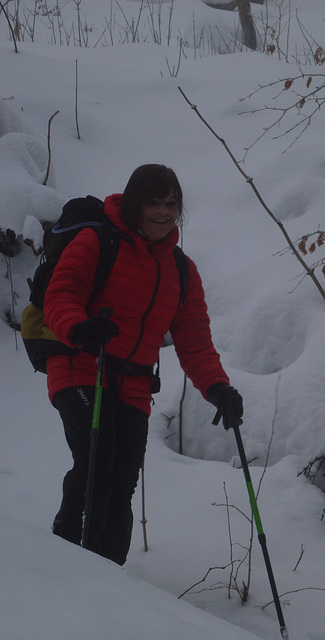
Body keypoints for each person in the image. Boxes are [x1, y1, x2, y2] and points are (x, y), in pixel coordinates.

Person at [43, 164, 243, 566]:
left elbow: (194, 340)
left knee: (121, 484)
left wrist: (217, 387)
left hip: (134, 387)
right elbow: (60, 294)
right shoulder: (96, 241)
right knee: (96, 464)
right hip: (83, 365)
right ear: (135, 203)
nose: (163, 212)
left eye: (171, 203)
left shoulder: (182, 271)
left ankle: (108, 577)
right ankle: (63, 566)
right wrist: (79, 326)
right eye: (153, 202)